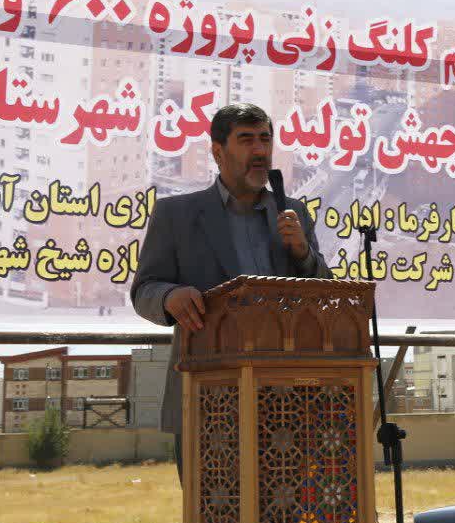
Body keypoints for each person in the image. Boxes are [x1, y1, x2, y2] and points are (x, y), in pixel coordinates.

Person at [130, 103, 332, 484]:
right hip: (207, 397)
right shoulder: (177, 215)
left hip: (286, 400)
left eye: (265, 140)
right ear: (218, 152)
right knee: (214, 510)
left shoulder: (293, 213)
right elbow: (144, 290)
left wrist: (304, 253)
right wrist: (170, 296)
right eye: (246, 140)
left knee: (282, 511)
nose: (260, 151)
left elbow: (322, 293)